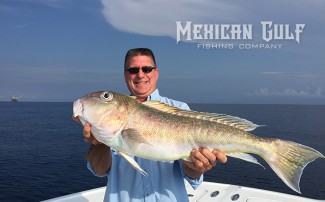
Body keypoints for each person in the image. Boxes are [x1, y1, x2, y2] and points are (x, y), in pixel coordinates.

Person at [75, 48, 227, 201]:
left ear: (156, 73)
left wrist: (197, 167)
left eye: (147, 69)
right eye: (133, 70)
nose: (140, 75)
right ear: (125, 75)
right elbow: (99, 169)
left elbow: (191, 173)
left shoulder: (180, 110)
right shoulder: (109, 117)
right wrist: (100, 142)